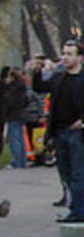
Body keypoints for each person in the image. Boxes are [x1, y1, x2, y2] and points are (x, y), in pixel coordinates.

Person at [32, 40, 84, 222]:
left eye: (70, 54)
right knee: (65, 172)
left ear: (80, 57)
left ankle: (79, 211)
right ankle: (75, 207)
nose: (65, 58)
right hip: (59, 131)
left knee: (78, 173)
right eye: (64, 53)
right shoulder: (58, 77)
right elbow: (38, 87)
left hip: (77, 132)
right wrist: (38, 69)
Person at [2, 68, 30, 169]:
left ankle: (17, 161)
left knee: (14, 139)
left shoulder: (13, 89)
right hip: (21, 114)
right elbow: (27, 101)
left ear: (12, 78)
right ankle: (23, 160)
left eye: (9, 76)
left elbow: (10, 102)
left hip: (13, 115)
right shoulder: (22, 87)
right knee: (21, 138)